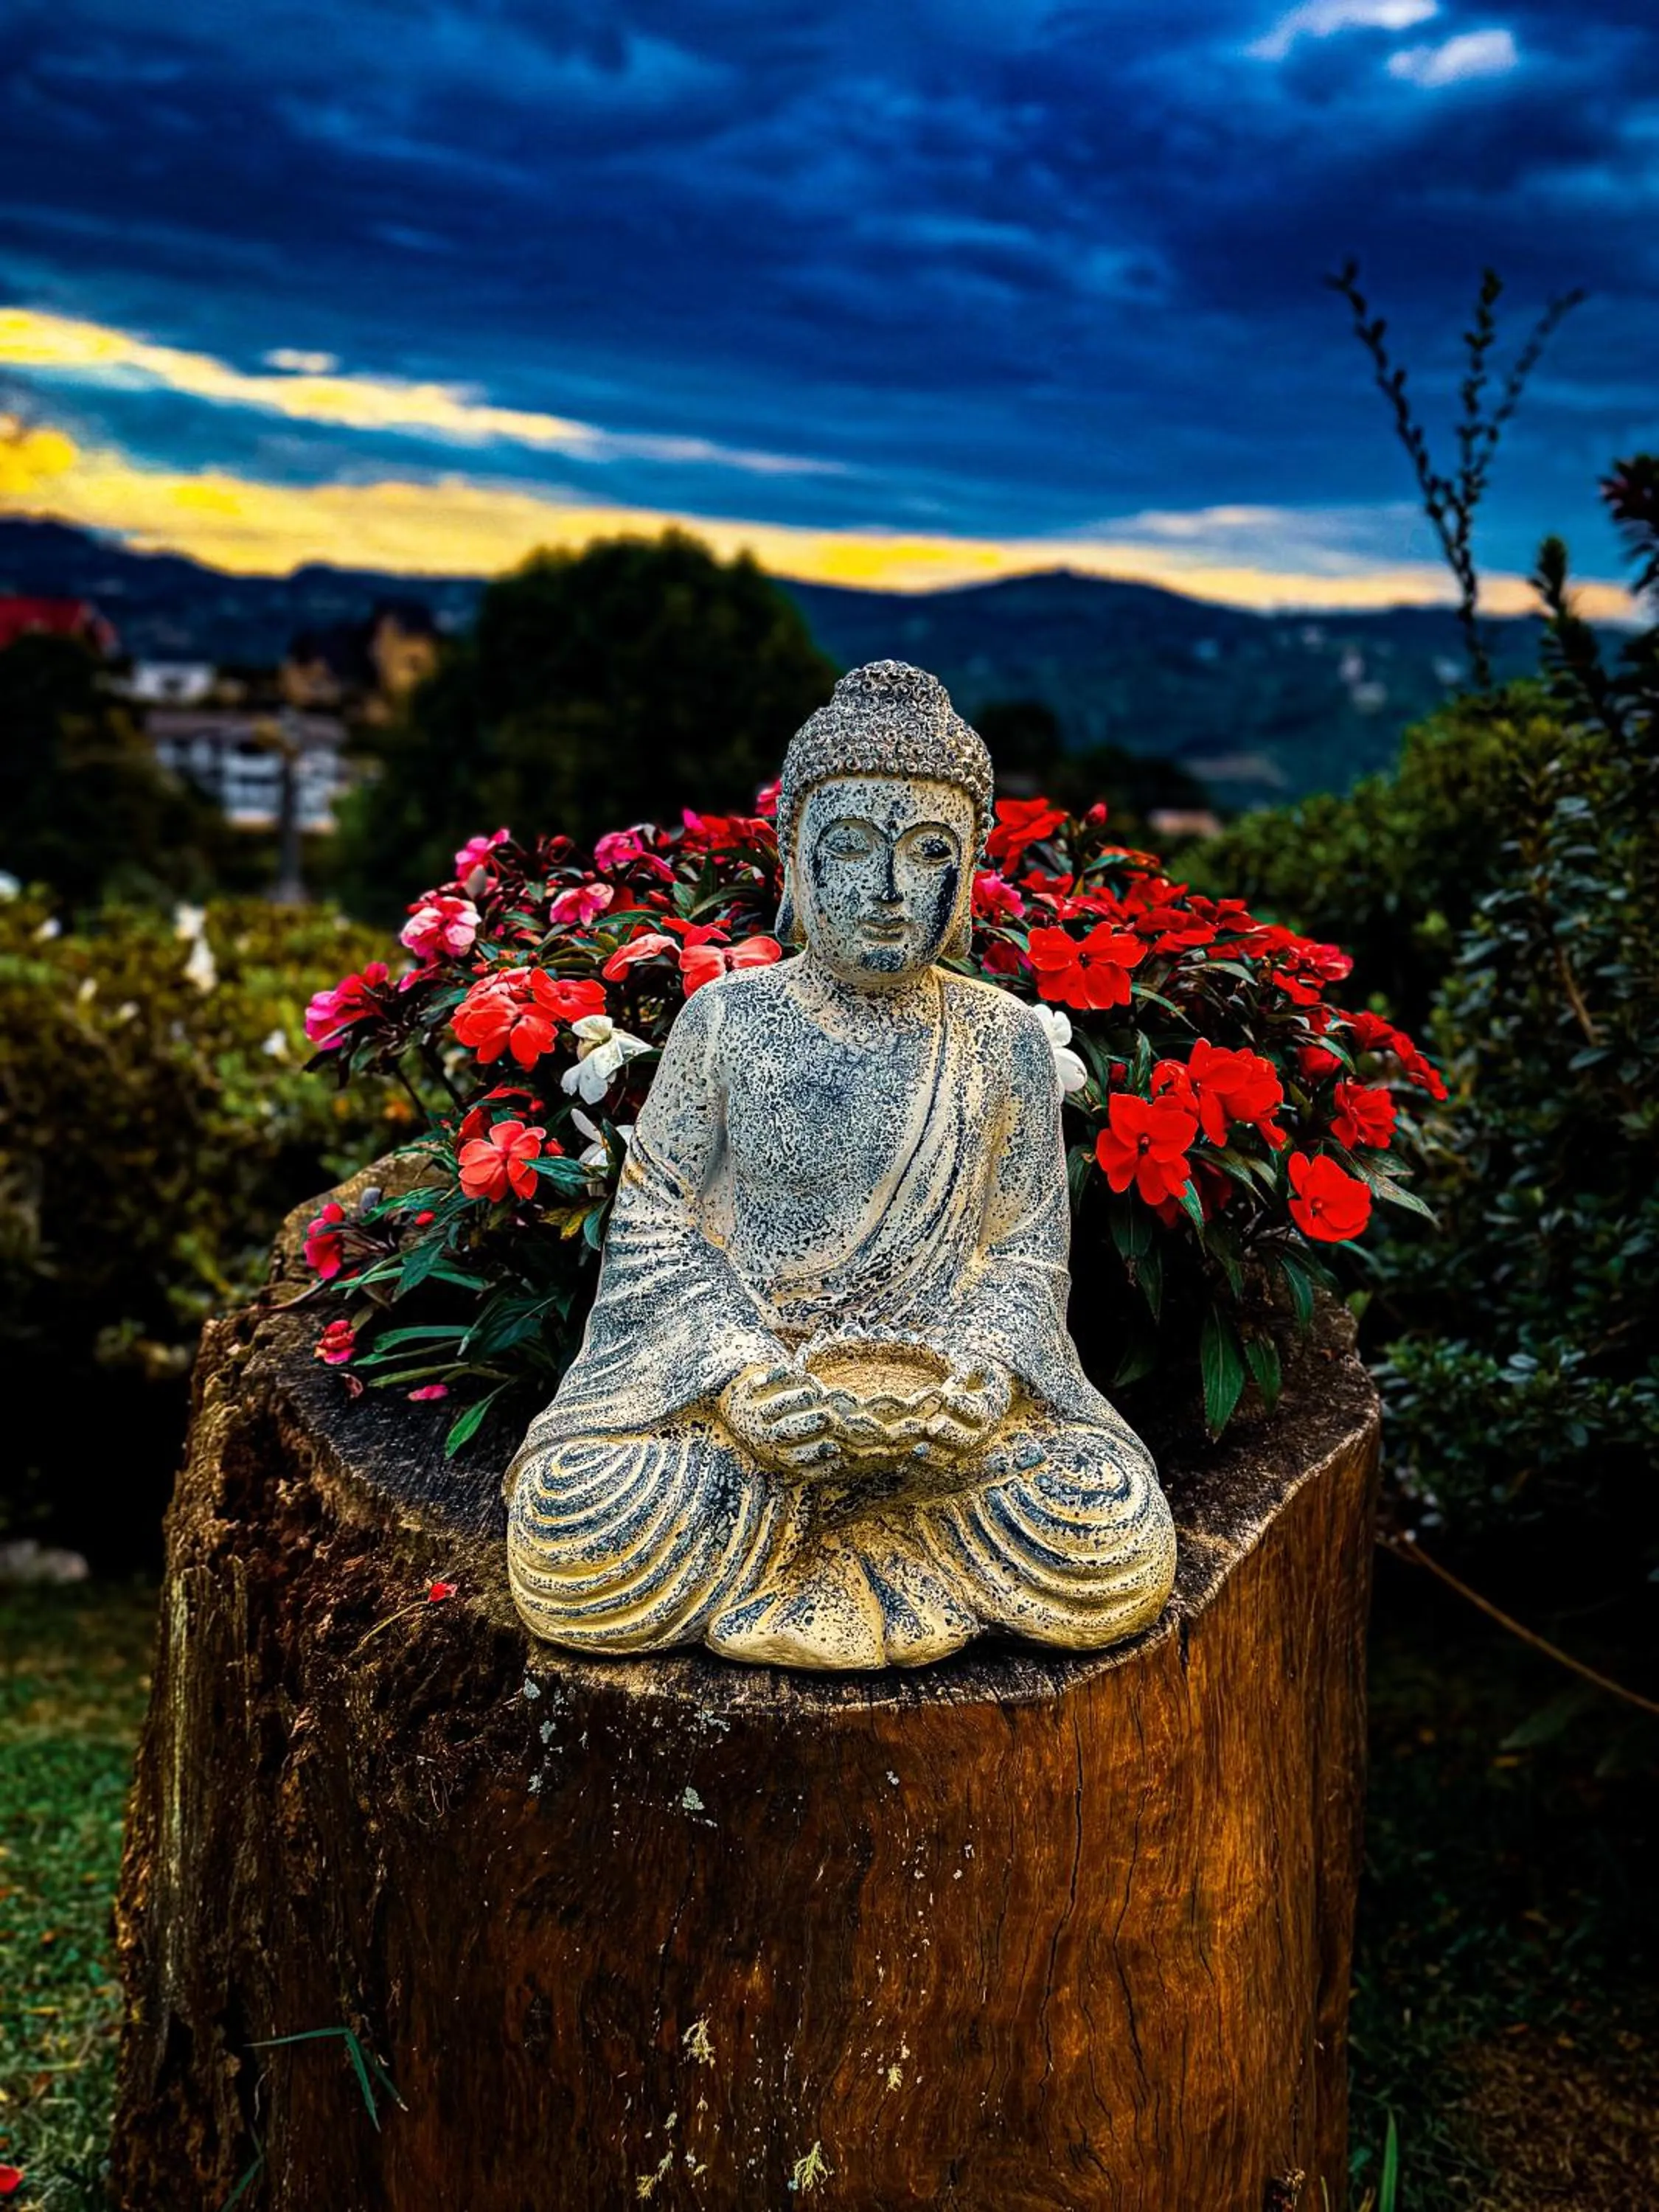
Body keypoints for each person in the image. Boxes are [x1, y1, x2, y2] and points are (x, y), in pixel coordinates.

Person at [504, 662, 1176, 1668]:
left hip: (941, 1433)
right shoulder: (725, 1020)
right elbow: (658, 1231)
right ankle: (844, 1553)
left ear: (968, 872)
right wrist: (738, 1382)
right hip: (758, 1421)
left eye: (929, 853)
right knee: (572, 1518)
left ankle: (866, 1548)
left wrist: (984, 1380)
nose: (888, 892)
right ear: (793, 859)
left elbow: (1023, 1259)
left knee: (1106, 1518)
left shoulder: (1000, 1040)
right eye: (851, 847)